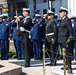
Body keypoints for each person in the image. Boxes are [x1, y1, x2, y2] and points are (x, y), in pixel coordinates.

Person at [58, 7, 73, 74]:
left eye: (61, 12)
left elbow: (70, 30)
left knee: (67, 53)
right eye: (60, 12)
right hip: (61, 39)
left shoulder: (67, 20)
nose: (60, 14)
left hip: (66, 39)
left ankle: (69, 67)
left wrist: (70, 38)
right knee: (63, 54)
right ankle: (66, 65)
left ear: (65, 13)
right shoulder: (62, 20)